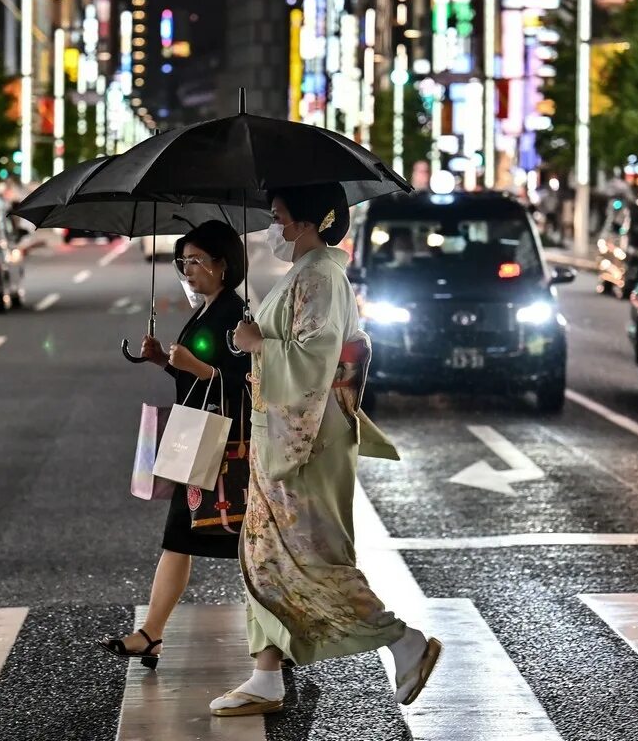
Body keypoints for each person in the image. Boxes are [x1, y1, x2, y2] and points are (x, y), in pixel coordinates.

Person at [217, 183, 441, 717]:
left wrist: (257, 346)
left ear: (307, 221)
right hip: (288, 437)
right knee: (264, 555)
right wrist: (256, 342)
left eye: (277, 216)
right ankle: (266, 674)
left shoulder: (319, 276)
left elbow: (314, 363)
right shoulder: (310, 274)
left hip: (305, 444)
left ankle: (402, 640)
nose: (272, 227)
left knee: (311, 559)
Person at [97, 220, 251, 666]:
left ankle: (279, 638)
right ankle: (151, 632)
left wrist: (197, 368)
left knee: (250, 547)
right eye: (183, 262)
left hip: (223, 449)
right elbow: (198, 376)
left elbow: (248, 382)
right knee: (180, 538)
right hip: (198, 439)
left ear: (224, 264)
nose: (188, 270)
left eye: (197, 261)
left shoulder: (234, 316)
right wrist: (165, 361)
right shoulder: (207, 309)